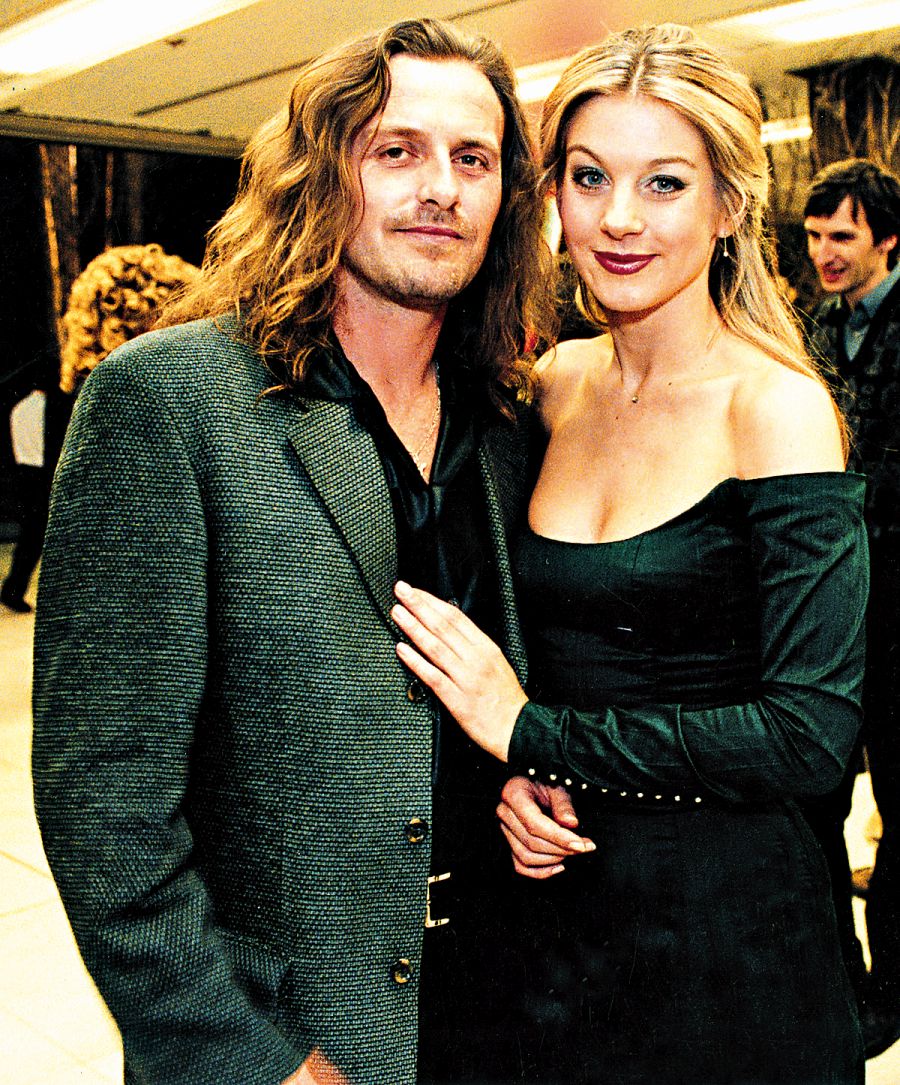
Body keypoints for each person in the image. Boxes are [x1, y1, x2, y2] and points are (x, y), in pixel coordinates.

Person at [31, 18, 550, 1085]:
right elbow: (105, 805)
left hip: (503, 1004)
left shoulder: (508, 422)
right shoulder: (169, 402)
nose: (440, 189)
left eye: (473, 159)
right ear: (320, 173)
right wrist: (250, 1055)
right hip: (299, 1028)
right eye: (396, 151)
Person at [391, 23, 868, 1085]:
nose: (617, 218)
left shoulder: (775, 409)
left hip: (729, 940)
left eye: (664, 183)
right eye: (589, 176)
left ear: (728, 205)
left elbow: (810, 733)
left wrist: (533, 730)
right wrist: (521, 770)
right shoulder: (554, 385)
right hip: (556, 921)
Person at [803, 157, 900, 1058]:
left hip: (899, 614)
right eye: (814, 235)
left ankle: (894, 988)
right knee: (814, 808)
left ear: (888, 239)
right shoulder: (810, 332)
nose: (825, 252)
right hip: (833, 616)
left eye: (843, 235)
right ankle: (847, 985)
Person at [1, 384, 49, 612]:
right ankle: (13, 589)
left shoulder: (19, 408)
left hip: (24, 472)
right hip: (42, 474)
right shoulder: (47, 410)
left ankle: (14, 588)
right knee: (34, 538)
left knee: (30, 537)